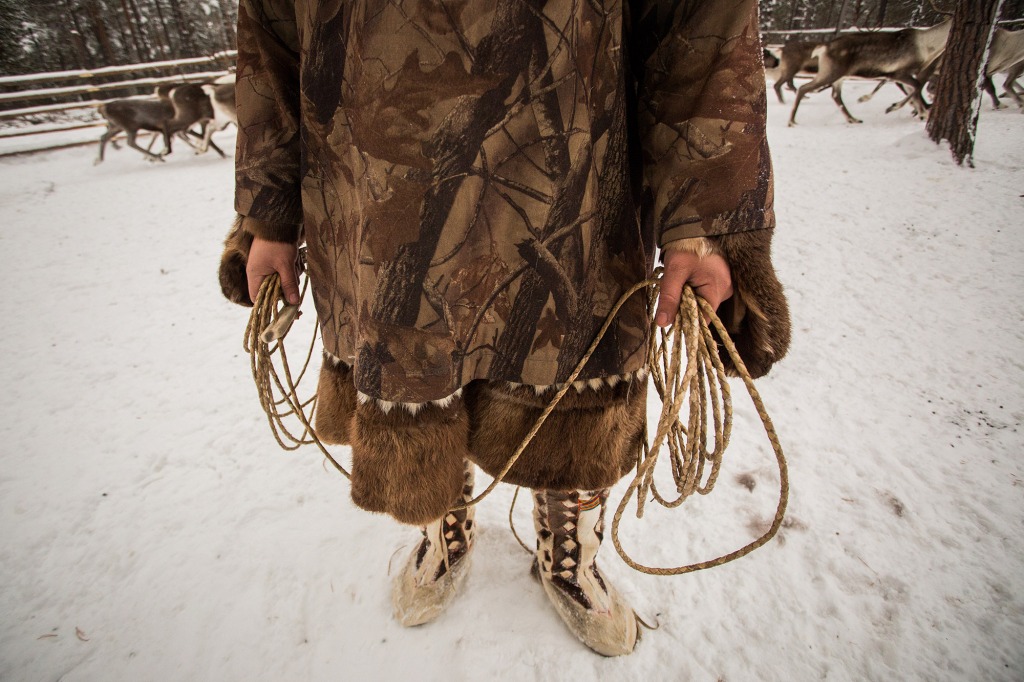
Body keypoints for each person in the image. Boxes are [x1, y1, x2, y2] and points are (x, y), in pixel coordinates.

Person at [219, 0, 790, 657]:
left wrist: (706, 216)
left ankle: (570, 542)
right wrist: (267, 211)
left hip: (575, 160)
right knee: (418, 362)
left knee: (577, 357)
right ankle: (444, 515)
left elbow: (701, 25)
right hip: (379, 182)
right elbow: (270, 36)